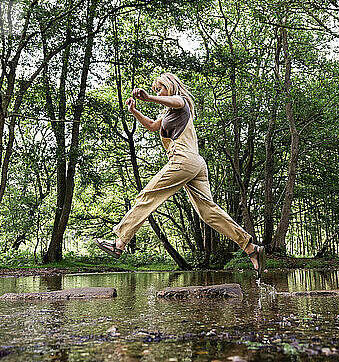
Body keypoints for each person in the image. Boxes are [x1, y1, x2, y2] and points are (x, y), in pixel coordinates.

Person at [94, 73, 266, 276]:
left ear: (170, 86)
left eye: (160, 88)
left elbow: (176, 101)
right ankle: (250, 248)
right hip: (196, 164)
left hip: (184, 161)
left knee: (148, 196)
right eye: (155, 90)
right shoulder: (168, 114)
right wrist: (134, 111)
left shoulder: (181, 102)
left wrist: (149, 97)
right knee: (207, 212)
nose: (157, 92)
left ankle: (120, 242)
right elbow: (152, 126)